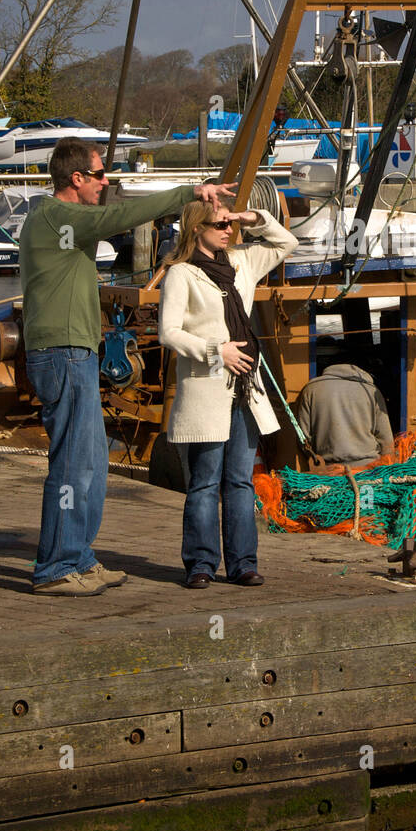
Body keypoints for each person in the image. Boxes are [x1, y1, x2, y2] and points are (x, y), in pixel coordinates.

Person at [20, 137, 236, 596]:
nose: (106, 183)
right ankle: (56, 567)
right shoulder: (59, 217)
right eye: (100, 175)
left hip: (76, 353)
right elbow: (121, 217)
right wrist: (190, 192)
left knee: (92, 462)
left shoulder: (63, 223)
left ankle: (79, 556)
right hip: (62, 353)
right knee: (73, 464)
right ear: (76, 178)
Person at [158, 199, 297, 589]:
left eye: (229, 224)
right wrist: (215, 351)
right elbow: (168, 332)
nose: (227, 230)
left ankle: (243, 564)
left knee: (240, 481)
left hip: (244, 389)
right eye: (219, 225)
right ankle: (200, 564)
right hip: (207, 389)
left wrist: (251, 218)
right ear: (196, 229)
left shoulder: (241, 262)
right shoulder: (180, 274)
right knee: (204, 482)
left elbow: (285, 243)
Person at [295, 360, 394, 468]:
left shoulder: (311, 389)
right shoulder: (371, 391)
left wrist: (317, 460)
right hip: (368, 469)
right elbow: (386, 440)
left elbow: (303, 438)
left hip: (328, 469)